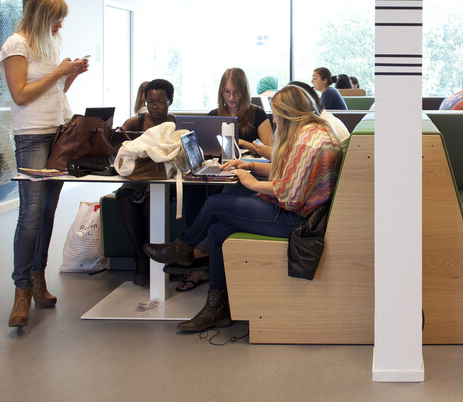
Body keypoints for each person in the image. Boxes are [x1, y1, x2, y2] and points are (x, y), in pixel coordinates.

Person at [143, 85, 343, 332]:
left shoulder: (308, 141)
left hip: (296, 220)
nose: (273, 118)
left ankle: (183, 247)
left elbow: (290, 194)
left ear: (288, 112)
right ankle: (217, 306)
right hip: (303, 213)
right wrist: (250, 166)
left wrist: (253, 183)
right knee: (217, 230)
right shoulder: (316, 131)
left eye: (276, 113)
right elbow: (290, 173)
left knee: (215, 204)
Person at [0, 0, 88, 327]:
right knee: (31, 213)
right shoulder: (16, 45)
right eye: (56, 19)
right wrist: (57, 73)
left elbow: (52, 92)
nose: (60, 24)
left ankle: (38, 279)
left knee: (49, 209)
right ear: (41, 16)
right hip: (32, 135)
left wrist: (71, 75)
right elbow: (20, 95)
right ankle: (21, 291)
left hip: (59, 132)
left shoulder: (50, 43)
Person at [178, 68, 275, 291]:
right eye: (227, 92)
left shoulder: (257, 114)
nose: (231, 98)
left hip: (247, 170)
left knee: (219, 197)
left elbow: (270, 149)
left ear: (244, 92)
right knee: (194, 191)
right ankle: (198, 256)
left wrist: (247, 145)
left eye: (236, 93)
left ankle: (194, 251)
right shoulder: (214, 115)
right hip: (220, 168)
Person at [115, 79, 177, 287]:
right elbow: (118, 146)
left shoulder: (175, 122)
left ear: (170, 101)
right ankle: (140, 258)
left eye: (160, 101)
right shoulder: (135, 122)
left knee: (153, 200)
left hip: (163, 179)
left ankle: (154, 258)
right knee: (126, 198)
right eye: (150, 102)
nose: (155, 106)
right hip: (137, 178)